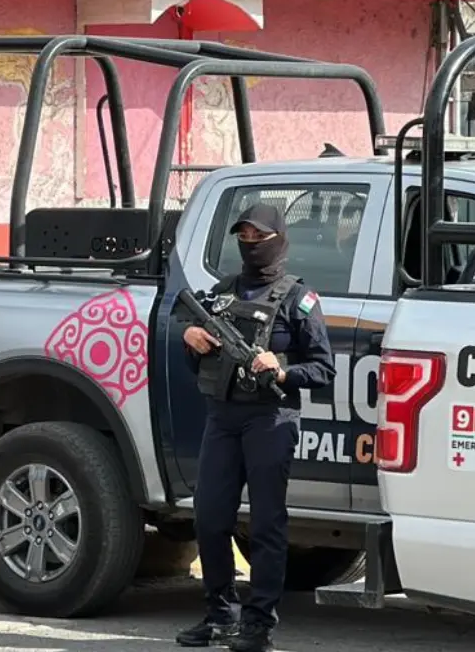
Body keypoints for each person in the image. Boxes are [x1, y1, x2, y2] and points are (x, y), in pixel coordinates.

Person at [176, 203, 336, 652]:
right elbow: (198, 362)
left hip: (270, 418)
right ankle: (219, 615)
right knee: (209, 518)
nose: (250, 244)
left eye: (258, 236)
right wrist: (192, 341)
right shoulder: (222, 292)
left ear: (278, 239)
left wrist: (280, 367)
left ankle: (258, 624)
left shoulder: (297, 298)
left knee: (266, 524)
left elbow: (323, 368)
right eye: (243, 236)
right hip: (222, 418)